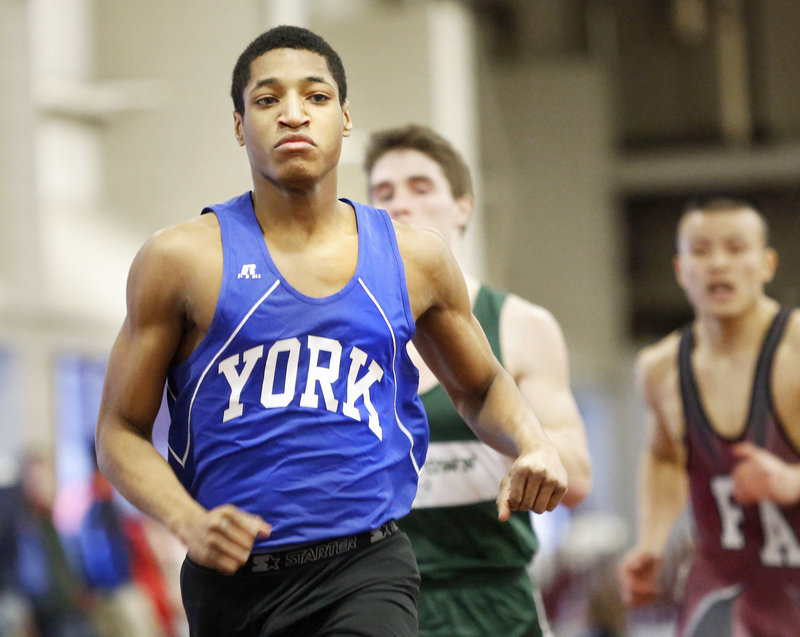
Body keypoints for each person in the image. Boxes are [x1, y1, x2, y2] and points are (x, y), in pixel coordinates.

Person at [94, 25, 568, 637]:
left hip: (367, 567)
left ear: (345, 119)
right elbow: (118, 432)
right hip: (231, 579)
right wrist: (187, 520)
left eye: (315, 97)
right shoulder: (181, 260)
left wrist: (534, 442)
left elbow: (479, 387)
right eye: (267, 100)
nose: (293, 114)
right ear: (239, 125)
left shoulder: (412, 258)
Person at [363, 123, 592, 637]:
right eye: (384, 193)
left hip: (493, 600)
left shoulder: (519, 325)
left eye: (421, 188)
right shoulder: (344, 334)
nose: (401, 204)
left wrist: (514, 434)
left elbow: (576, 479)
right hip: (380, 599)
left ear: (463, 206)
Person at [616, 197, 800, 637]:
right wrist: (651, 543)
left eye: (736, 249)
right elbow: (664, 457)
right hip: (725, 589)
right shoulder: (659, 368)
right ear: (681, 270)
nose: (718, 264)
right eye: (701, 251)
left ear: (767, 264)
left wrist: (793, 482)